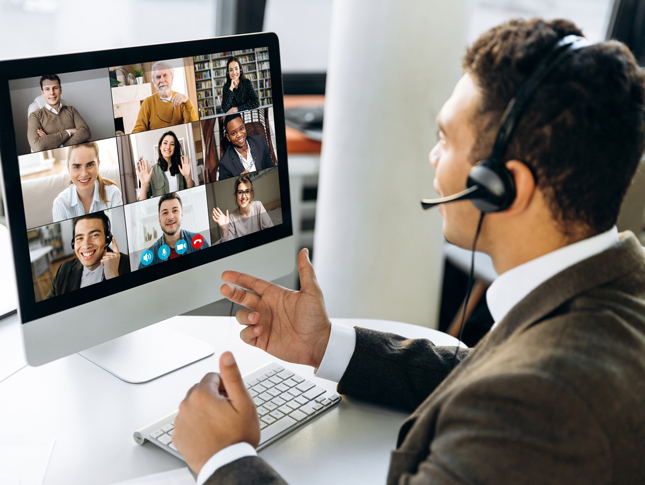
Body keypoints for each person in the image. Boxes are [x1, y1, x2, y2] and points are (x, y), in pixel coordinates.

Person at [171, 18, 645, 484]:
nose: (433, 158)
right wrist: (324, 344)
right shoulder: (615, 295)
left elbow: (513, 394)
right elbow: (479, 374)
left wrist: (224, 460)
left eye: (445, 139)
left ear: (499, 188)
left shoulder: (538, 402)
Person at [46, 212, 129, 298]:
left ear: (107, 239)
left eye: (94, 235)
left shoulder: (128, 264)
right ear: (73, 243)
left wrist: (113, 277)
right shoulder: (63, 269)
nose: (86, 245)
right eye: (79, 238)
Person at [52, 142, 123, 222]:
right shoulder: (60, 204)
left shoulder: (113, 194)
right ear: (69, 169)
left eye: (89, 165)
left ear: (98, 165)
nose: (84, 174)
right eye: (77, 167)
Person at [139, 192, 209, 268]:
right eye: (165, 213)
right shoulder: (149, 256)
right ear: (159, 220)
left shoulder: (199, 242)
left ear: (182, 215)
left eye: (175, 210)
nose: (170, 217)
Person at [27, 74, 91, 152]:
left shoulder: (71, 110)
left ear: (60, 90)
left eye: (55, 88)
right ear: (42, 93)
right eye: (47, 89)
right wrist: (69, 132)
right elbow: (37, 146)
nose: (52, 93)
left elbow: (86, 132)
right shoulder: (35, 116)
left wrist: (54, 143)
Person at [131, 61, 198, 133]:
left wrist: (187, 102)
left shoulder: (183, 101)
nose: (162, 80)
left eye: (165, 75)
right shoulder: (147, 102)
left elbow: (194, 127)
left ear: (172, 78)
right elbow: (137, 131)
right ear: (154, 82)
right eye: (158, 77)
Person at [211, 175, 273, 242]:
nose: (244, 196)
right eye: (240, 192)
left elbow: (271, 233)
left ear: (251, 193)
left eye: (247, 191)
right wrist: (225, 230)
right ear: (236, 195)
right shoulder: (232, 217)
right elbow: (228, 247)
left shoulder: (258, 206)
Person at [136, 131, 194, 200]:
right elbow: (142, 203)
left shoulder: (181, 168)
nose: (168, 147)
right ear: (160, 146)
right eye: (165, 143)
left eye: (172, 144)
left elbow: (192, 192)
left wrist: (188, 177)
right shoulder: (152, 171)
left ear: (175, 148)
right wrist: (144, 185)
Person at [217, 114, 275, 181]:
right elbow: (227, 189)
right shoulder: (225, 164)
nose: (239, 135)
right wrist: (239, 181)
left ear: (245, 127)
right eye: (234, 133)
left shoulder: (260, 142)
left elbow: (271, 169)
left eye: (241, 129)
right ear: (228, 137)